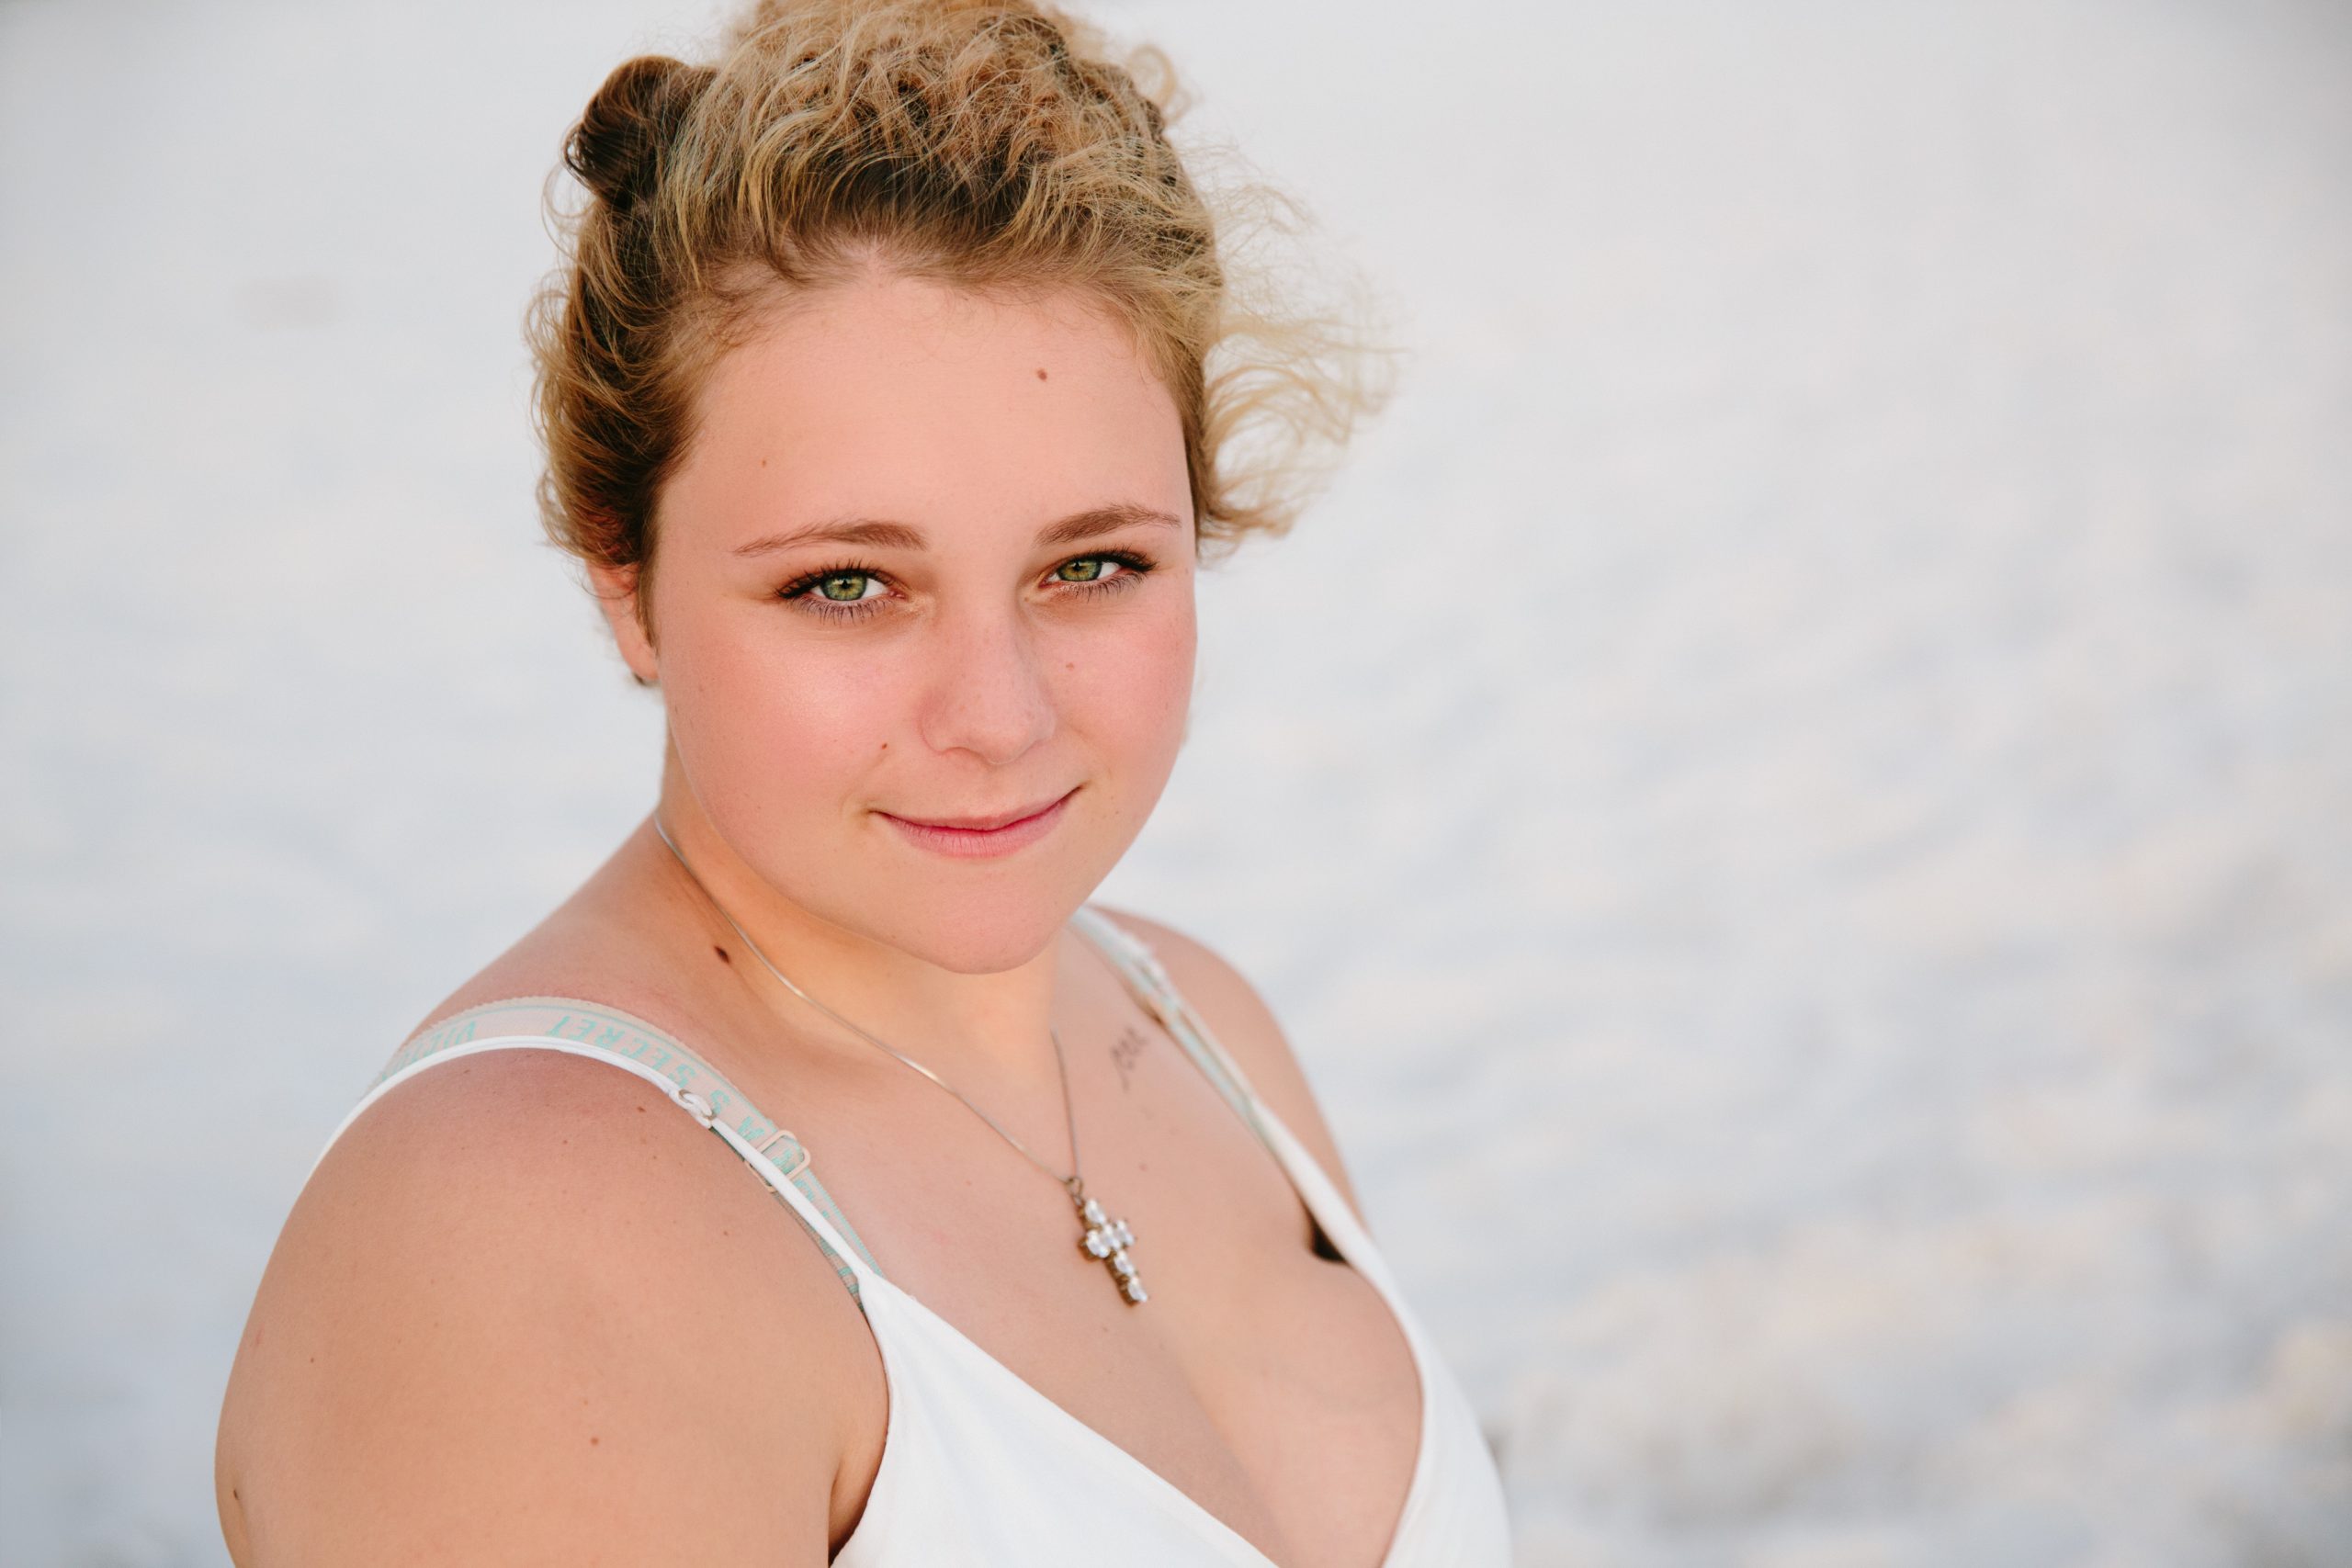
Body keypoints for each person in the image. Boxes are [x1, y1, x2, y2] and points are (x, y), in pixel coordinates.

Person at [213, 2, 1513, 1562]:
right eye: (847, 584)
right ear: (624, 581)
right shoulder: (522, 1232)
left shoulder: (1200, 1021)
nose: (998, 714)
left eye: (1092, 564)